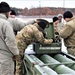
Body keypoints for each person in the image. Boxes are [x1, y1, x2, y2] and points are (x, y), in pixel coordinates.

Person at [0, 2, 19, 75]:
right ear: (6, 12)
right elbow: (10, 41)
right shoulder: (5, 24)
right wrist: (16, 53)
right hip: (5, 59)